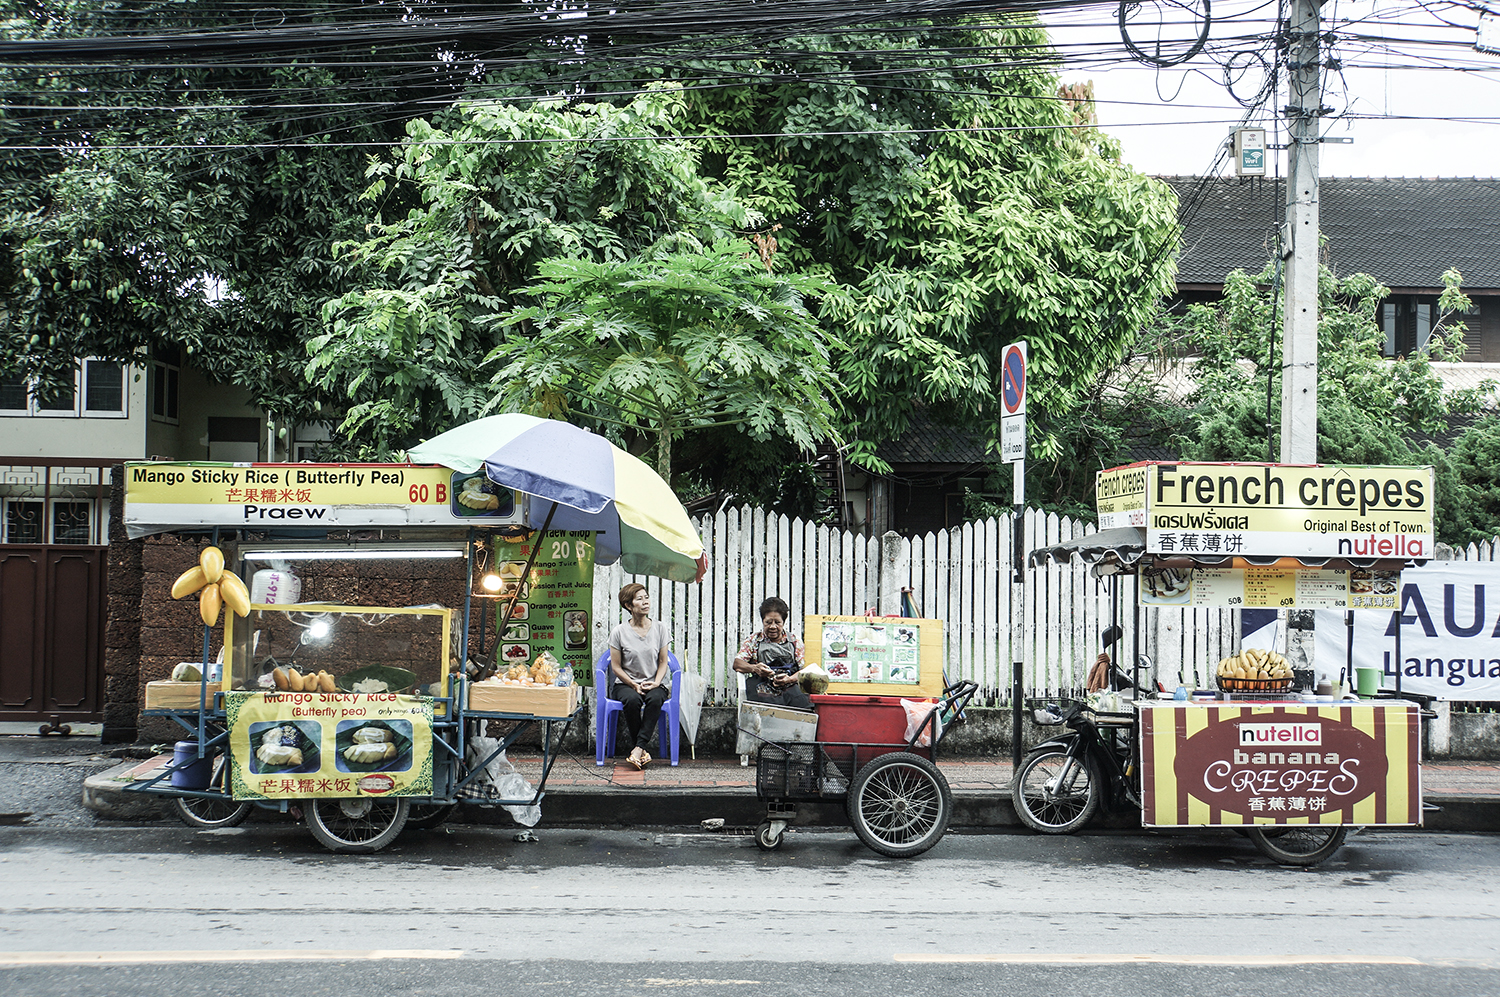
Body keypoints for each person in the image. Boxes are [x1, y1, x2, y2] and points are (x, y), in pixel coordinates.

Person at [607, 583, 670, 769]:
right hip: (626, 684)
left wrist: (656, 682)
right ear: (628, 605)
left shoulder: (660, 628)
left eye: (646, 597)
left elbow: (663, 662)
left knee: (656, 699)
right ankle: (641, 749)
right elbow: (616, 667)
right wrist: (633, 684)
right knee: (632, 701)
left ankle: (637, 749)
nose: (645, 602)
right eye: (639, 599)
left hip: (654, 682)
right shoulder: (619, 632)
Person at [732, 596, 812, 711]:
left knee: (803, 700)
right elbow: (737, 663)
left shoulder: (794, 641)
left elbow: (804, 670)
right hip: (763, 683)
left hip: (789, 682)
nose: (773, 626)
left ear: (783, 622)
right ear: (762, 621)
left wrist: (788, 679)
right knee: (763, 706)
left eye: (777, 622)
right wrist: (755, 668)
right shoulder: (754, 640)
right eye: (768, 622)